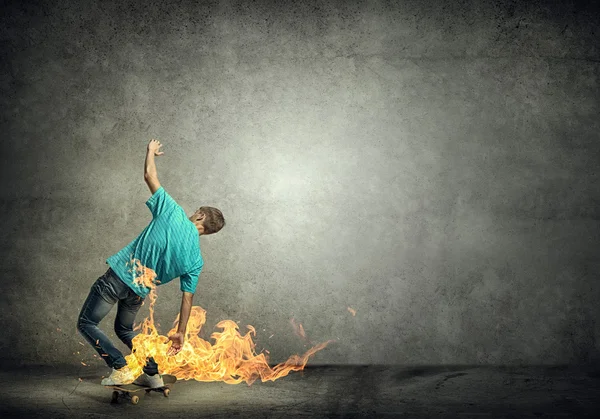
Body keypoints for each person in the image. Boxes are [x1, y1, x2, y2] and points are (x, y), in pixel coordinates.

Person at [76, 139, 225, 387]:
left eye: (197, 211)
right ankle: (152, 374)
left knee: (87, 323)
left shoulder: (173, 212)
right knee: (125, 330)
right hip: (138, 294)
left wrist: (150, 151)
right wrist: (181, 331)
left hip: (116, 279)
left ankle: (119, 366)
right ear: (207, 232)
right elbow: (187, 299)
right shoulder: (196, 261)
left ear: (200, 216)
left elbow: (148, 175)